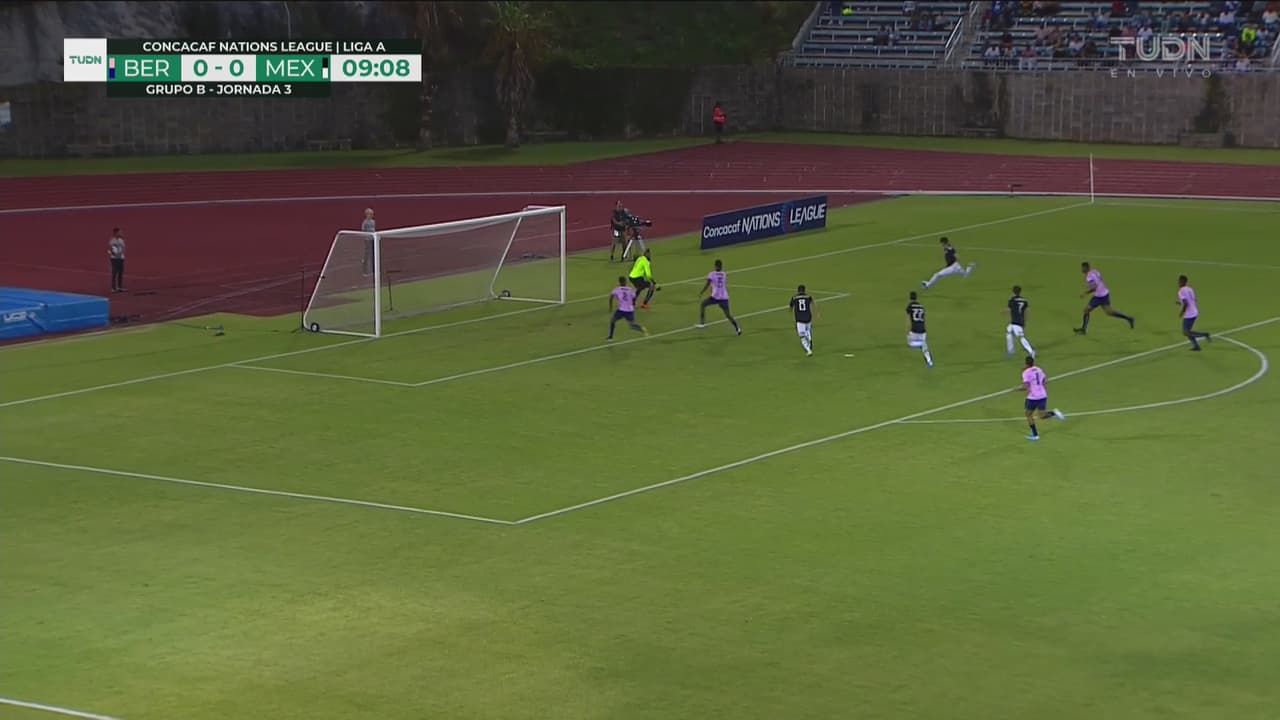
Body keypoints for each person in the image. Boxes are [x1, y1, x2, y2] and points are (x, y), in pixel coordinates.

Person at [1074, 262, 1135, 335]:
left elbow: (1094, 287)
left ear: (1086, 268)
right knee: (1107, 312)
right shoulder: (1095, 271)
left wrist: (1085, 293)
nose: (1081, 269)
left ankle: (1129, 318)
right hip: (1104, 293)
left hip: (1099, 296)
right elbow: (1101, 280)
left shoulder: (1089, 277)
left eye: (1082, 268)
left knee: (1089, 310)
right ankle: (1129, 318)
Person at [1022, 355, 1065, 441]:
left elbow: (1026, 386)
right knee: (1042, 416)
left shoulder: (1026, 372)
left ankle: (1035, 435)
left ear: (1026, 364)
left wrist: (1015, 389)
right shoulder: (1039, 369)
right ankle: (1054, 413)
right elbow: (1045, 381)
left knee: (1028, 414)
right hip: (1042, 395)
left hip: (1033, 397)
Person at [698, 259, 742, 335]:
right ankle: (738, 329)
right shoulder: (724, 274)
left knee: (703, 304)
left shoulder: (712, 274)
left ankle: (702, 323)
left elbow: (708, 284)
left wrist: (701, 292)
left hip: (715, 297)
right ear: (721, 266)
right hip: (724, 298)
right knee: (728, 315)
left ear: (715, 266)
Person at [1177, 274, 1212, 351]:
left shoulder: (1181, 291)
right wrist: (1180, 303)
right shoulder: (1190, 289)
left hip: (1189, 315)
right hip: (1194, 312)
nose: (1178, 283)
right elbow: (1193, 300)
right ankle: (1196, 346)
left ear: (1182, 282)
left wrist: (1182, 312)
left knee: (1186, 332)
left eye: (1179, 281)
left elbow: (1186, 303)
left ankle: (1205, 334)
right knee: (1188, 331)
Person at [607, 276, 647, 340]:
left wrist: (610, 307)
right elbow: (634, 297)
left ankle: (610, 337)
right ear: (625, 282)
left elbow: (611, 298)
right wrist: (633, 304)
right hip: (630, 310)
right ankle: (642, 329)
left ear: (619, 282)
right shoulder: (630, 289)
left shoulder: (617, 289)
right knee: (632, 326)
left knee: (612, 321)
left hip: (621, 310)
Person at [1006, 285, 1037, 358]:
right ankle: (1011, 351)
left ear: (1013, 292)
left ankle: (1031, 351)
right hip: (1019, 321)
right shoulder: (1024, 300)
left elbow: (1009, 310)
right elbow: (1026, 311)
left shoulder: (1012, 300)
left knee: (1021, 337)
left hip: (1015, 322)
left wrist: (1004, 312)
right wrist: (1024, 321)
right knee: (1009, 331)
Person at [905, 291, 934, 367]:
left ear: (910, 298)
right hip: (923, 330)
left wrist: (907, 331)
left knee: (910, 343)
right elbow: (924, 319)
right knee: (925, 349)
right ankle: (929, 361)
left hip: (914, 330)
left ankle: (921, 345)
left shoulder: (910, 306)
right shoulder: (921, 307)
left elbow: (908, 320)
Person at [789, 284, 817, 356]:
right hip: (808, 317)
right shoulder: (808, 296)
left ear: (798, 291)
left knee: (802, 336)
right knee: (808, 330)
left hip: (799, 319)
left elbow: (791, 307)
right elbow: (813, 302)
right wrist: (816, 312)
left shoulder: (794, 297)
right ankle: (809, 336)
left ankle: (809, 351)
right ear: (804, 290)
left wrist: (792, 313)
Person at [108, 227, 126, 293]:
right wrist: (113, 254)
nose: (121, 233)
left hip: (121, 258)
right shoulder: (112, 241)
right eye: (119, 232)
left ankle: (119, 287)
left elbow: (123, 248)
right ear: (115, 233)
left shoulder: (121, 240)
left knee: (120, 273)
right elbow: (110, 249)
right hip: (114, 259)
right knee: (114, 273)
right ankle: (113, 288)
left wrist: (122, 255)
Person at [360, 208, 376, 276]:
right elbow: (363, 230)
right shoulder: (365, 222)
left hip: (373, 239)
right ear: (367, 214)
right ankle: (365, 271)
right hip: (367, 240)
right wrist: (366, 237)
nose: (371, 215)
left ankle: (374, 270)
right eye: (370, 214)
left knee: (373, 255)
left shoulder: (373, 222)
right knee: (367, 255)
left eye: (372, 214)